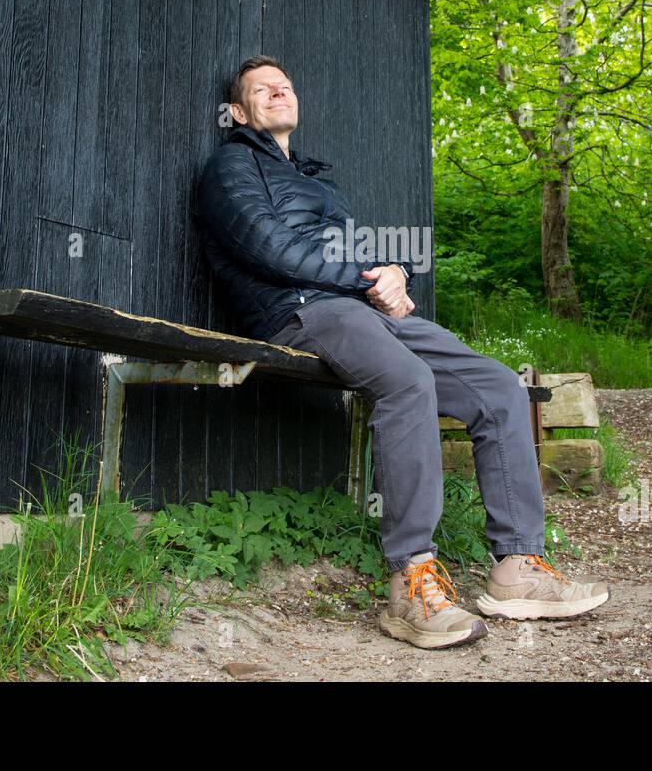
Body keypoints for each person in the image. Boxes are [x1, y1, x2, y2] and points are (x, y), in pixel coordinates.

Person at [194, 54, 610, 649]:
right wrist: (367, 279)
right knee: (409, 380)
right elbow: (267, 248)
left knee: (496, 387)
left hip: (353, 309)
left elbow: (348, 258)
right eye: (262, 89)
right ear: (237, 111)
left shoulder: (316, 183)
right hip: (296, 311)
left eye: (285, 84)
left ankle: (518, 567)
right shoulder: (231, 166)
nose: (279, 91)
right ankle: (411, 579)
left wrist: (390, 279)